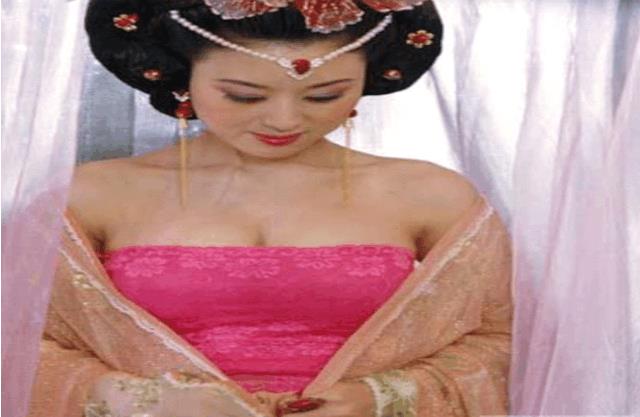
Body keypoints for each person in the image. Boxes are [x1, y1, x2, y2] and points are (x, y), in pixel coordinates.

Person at [28, 1, 513, 416]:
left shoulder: (428, 193)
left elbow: (505, 340)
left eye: (325, 95)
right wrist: (145, 400)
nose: (284, 119)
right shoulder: (92, 195)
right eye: (244, 95)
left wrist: (383, 396)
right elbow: (20, 341)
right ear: (183, 74)